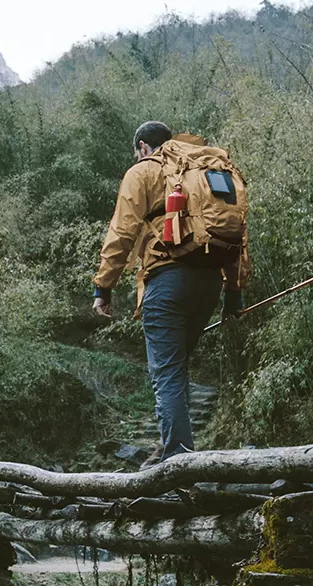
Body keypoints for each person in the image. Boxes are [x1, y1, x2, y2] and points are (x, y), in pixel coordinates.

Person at [91, 121, 248, 464]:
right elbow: (234, 233)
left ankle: (178, 460)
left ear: (144, 147)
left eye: (137, 152)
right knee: (176, 368)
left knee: (167, 373)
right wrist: (233, 294)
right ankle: (170, 446)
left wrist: (103, 287)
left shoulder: (145, 171)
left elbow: (122, 232)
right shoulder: (208, 170)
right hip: (209, 284)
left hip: (167, 282)